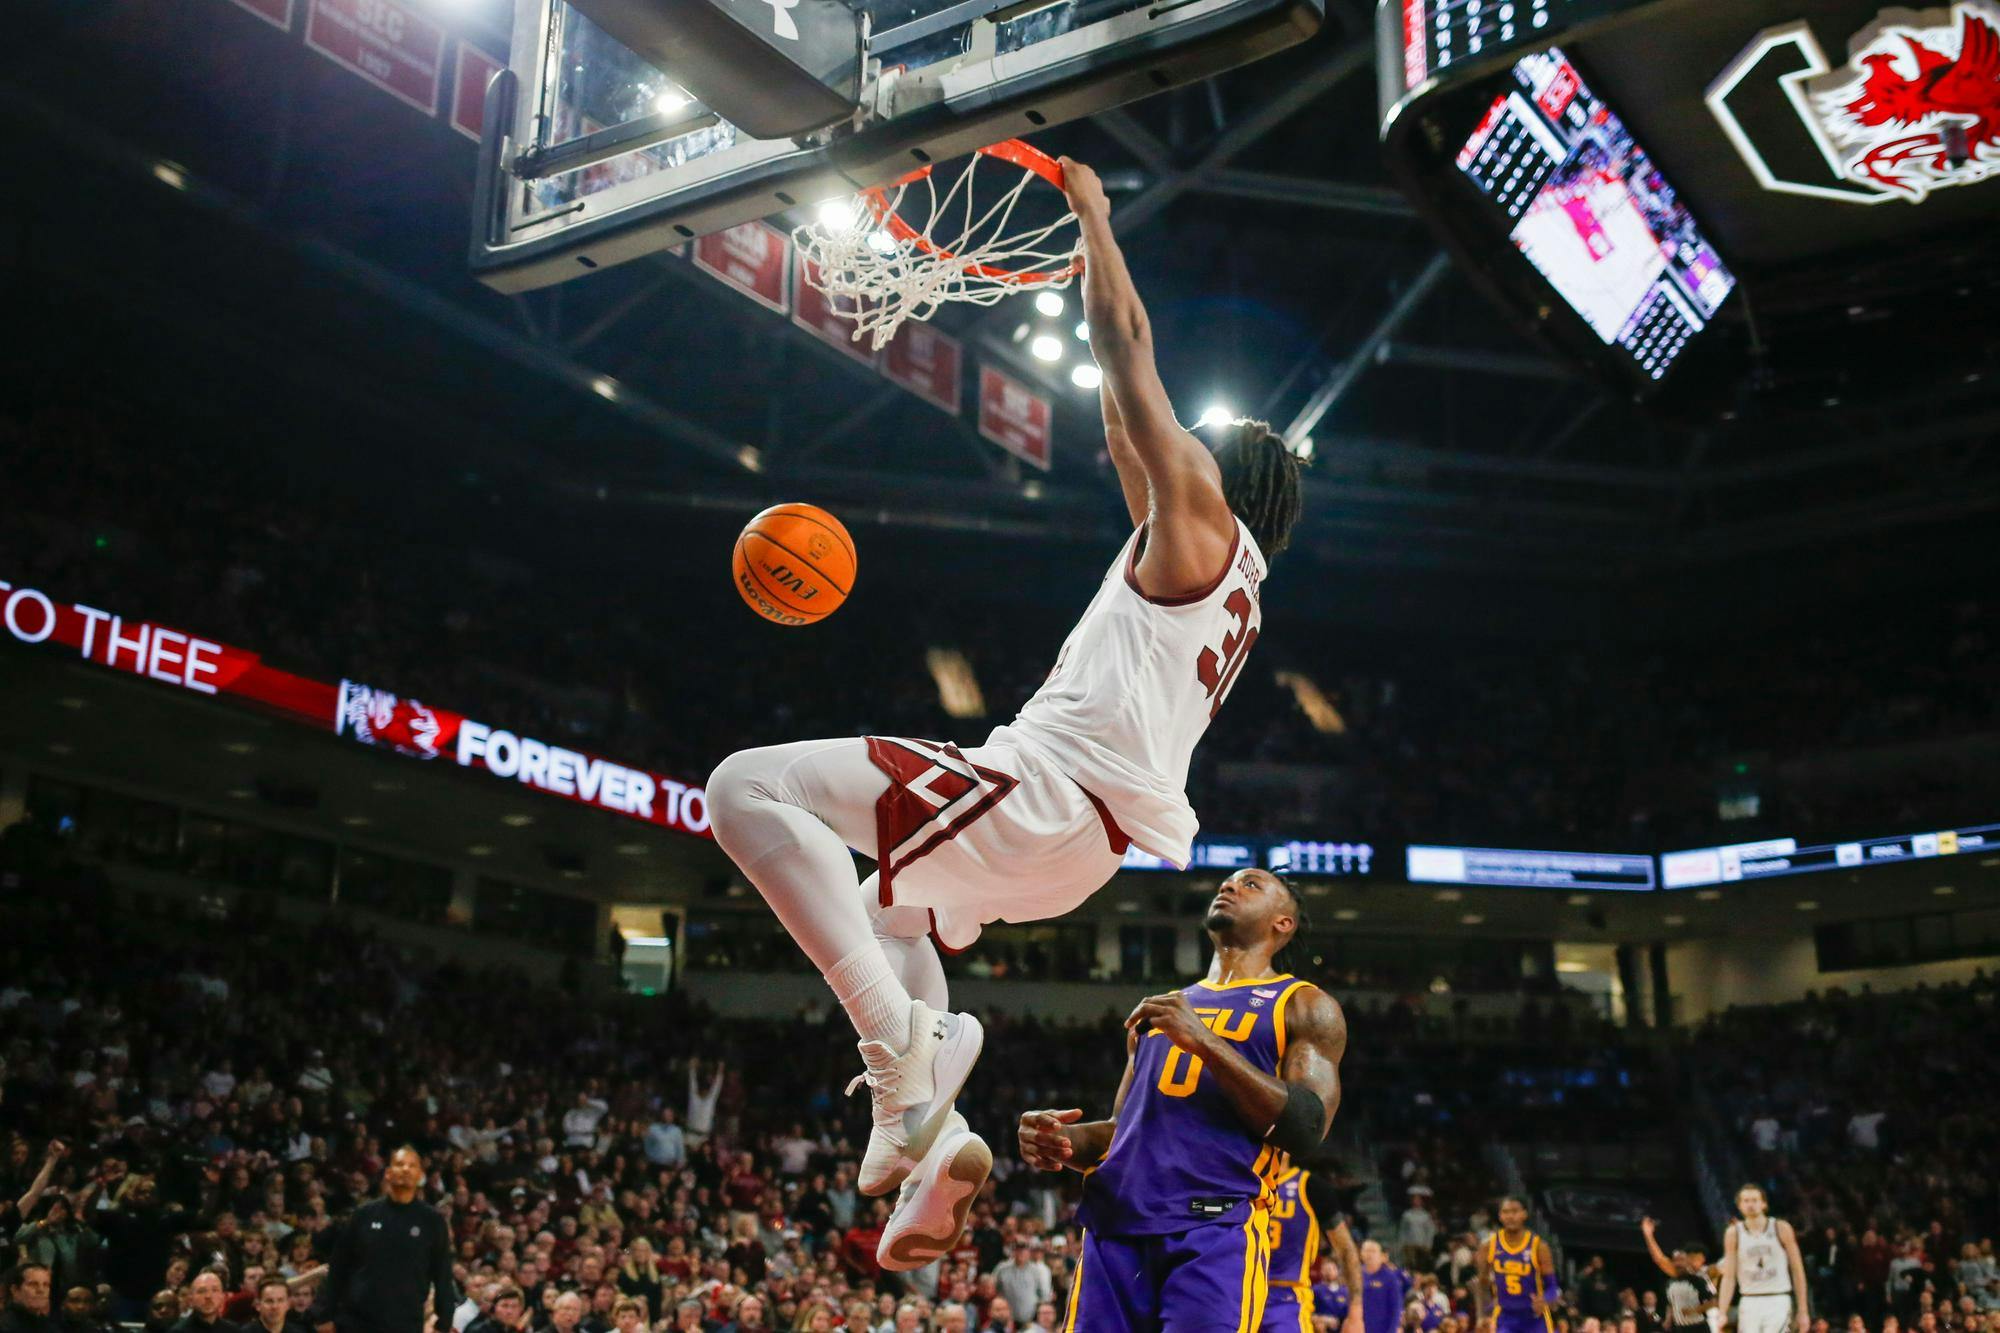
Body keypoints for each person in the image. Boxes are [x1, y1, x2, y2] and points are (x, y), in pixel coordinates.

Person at [704, 153, 1305, 1255]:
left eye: (1196, 452)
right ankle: (921, 1129)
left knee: (743, 787)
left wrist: (1094, 217)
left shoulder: (1203, 526)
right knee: (888, 908)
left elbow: (1128, 360)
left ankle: (900, 1051)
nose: (1171, 450)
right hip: (1079, 846)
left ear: (1226, 480)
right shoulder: (1222, 586)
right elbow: (1129, 433)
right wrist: (1124, 398)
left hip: (1037, 794)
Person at [1017, 869, 1344, 1330]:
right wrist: (1061, 1139)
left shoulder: (1303, 1005)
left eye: (1251, 884)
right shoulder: (1166, 1006)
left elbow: (1306, 1127)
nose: (1228, 887)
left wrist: (1206, 1042)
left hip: (1214, 1225)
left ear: (1282, 923)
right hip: (1116, 1223)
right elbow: (1122, 1130)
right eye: (1227, 883)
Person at [307, 1148, 455, 1333]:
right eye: (400, 1164)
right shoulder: (363, 1214)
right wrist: (324, 1314)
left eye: (412, 1165)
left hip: (405, 1324)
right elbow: (338, 1267)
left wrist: (444, 1323)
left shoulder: (432, 1221)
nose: (406, 1169)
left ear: (420, 1176)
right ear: (388, 1173)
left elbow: (443, 1275)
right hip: (356, 1321)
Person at [1264, 1163, 1363, 1333]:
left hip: (1286, 1297)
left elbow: (1346, 1249)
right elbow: (1207, 1211)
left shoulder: (1310, 1186)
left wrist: (1355, 1313)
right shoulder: (1241, 1180)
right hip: (1238, 1292)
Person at [1715, 1187, 1809, 1333]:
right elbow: (1729, 1276)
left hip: (1778, 1299)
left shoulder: (1781, 1228)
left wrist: (1803, 1310)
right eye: (1746, 1201)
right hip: (1749, 1300)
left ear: (1764, 1204)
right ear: (1739, 1206)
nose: (1750, 1204)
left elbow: (1797, 1271)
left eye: (1754, 1200)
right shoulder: (1733, 1233)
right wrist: (1722, 1312)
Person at [1477, 1199, 1557, 1333]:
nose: (1510, 1216)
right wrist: (1482, 1314)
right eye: (1505, 1212)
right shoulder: (1488, 1247)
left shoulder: (1539, 1247)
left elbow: (1553, 1286)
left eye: (1515, 1211)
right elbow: (1482, 1284)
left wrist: (1545, 1299)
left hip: (1534, 1317)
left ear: (1524, 1214)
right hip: (1505, 1316)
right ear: (1500, 1216)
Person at [1641, 1220, 1716, 1333]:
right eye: (1675, 1261)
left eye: (1681, 1260)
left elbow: (1714, 1301)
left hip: (1704, 1324)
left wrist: (1694, 1310)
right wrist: (1648, 1235)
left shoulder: (1701, 1277)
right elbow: (1659, 1259)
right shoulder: (1674, 1279)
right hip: (1682, 1327)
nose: (1677, 1264)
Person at [1358, 1241, 1412, 1333]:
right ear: (1361, 1254)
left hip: (1381, 1328)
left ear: (1382, 1256)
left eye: (1373, 1251)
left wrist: (1392, 1330)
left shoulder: (1391, 1278)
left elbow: (1396, 1308)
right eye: (1366, 1250)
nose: (1369, 1254)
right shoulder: (1356, 1275)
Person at [173, 1273, 240, 1333]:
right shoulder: (179, 1331)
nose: (208, 1296)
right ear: (191, 1299)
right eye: (202, 1291)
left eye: (214, 1290)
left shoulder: (233, 1330)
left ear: (222, 1296)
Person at [1, 1266, 55, 1333]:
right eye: (33, 1284)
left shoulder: (47, 1324)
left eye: (46, 1285)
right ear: (15, 1290)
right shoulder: (6, 1326)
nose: (41, 1290)